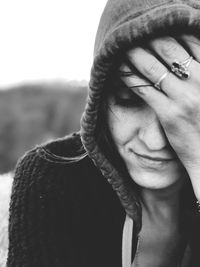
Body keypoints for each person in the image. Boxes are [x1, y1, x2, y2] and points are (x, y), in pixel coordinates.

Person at [6, 0, 200, 266]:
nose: (154, 142)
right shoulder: (55, 175)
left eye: (187, 111)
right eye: (128, 99)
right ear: (100, 101)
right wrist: (159, 243)